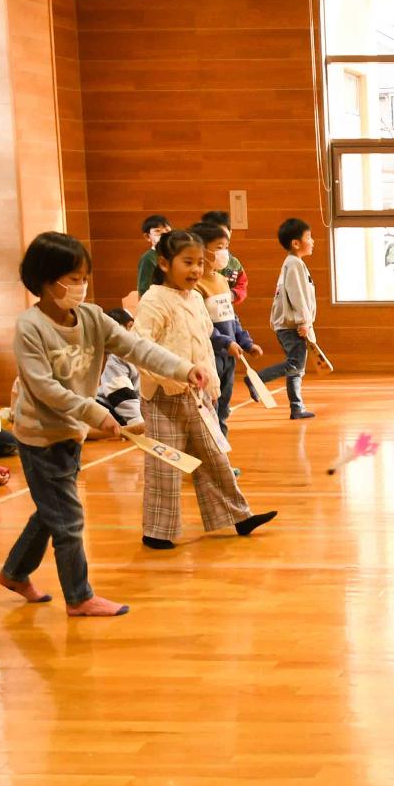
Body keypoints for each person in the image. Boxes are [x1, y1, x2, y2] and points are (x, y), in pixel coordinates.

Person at [0, 231, 207, 617]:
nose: (80, 286)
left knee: (51, 510)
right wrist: (97, 414)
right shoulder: (30, 327)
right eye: (72, 278)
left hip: (71, 432)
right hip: (39, 437)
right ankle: (78, 597)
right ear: (45, 280)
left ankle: (14, 573)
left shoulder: (92, 318)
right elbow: (44, 388)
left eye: (84, 277)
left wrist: (183, 368)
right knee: (68, 518)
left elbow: (137, 348)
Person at [133, 228, 276, 551]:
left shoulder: (196, 298)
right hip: (162, 396)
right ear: (164, 263)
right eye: (188, 262)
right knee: (166, 464)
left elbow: (205, 341)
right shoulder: (153, 300)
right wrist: (171, 378)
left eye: (200, 262)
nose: (196, 270)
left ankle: (238, 516)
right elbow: (140, 348)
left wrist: (212, 380)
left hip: (197, 395)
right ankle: (156, 532)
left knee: (214, 455)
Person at [194, 222, 264, 428]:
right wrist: (225, 342)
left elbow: (231, 316)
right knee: (211, 409)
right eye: (219, 247)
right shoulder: (196, 285)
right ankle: (211, 448)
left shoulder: (222, 281)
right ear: (201, 250)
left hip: (229, 357)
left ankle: (222, 449)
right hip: (210, 356)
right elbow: (202, 324)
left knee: (223, 410)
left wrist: (246, 342)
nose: (225, 253)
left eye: (226, 247)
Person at [257, 217, 317, 420]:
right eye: (309, 237)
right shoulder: (294, 264)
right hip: (292, 326)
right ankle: (259, 379)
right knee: (295, 365)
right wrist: (304, 322)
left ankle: (296, 408)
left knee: (296, 369)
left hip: (290, 324)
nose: (312, 241)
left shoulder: (293, 263)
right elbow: (297, 295)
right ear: (296, 243)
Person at [96, 307, 144, 432]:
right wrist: (137, 422)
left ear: (130, 326)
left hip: (128, 411)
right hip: (109, 407)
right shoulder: (116, 356)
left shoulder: (137, 348)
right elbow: (120, 392)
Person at [199, 209, 249, 304]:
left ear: (230, 232)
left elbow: (242, 284)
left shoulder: (233, 263)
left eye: (223, 233)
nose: (220, 236)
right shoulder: (198, 263)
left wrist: (232, 295)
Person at [134, 214, 171, 296]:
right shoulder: (147, 258)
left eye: (167, 230)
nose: (164, 234)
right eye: (158, 231)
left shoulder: (175, 254)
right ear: (147, 237)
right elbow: (144, 289)